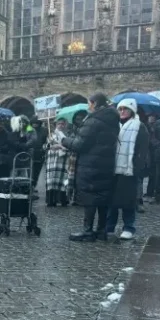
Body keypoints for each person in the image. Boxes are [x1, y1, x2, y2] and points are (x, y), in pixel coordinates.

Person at [62, 93, 120, 242]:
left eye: (89, 104)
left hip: (90, 165)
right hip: (106, 164)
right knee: (103, 197)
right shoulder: (112, 119)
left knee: (90, 197)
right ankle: (101, 230)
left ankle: (87, 231)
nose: (89, 107)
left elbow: (79, 145)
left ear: (95, 103)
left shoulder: (94, 121)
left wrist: (63, 140)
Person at [107, 99, 149, 240]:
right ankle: (109, 227)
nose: (122, 111)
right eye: (120, 109)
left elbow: (143, 149)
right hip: (113, 168)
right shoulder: (114, 125)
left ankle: (129, 227)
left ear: (132, 111)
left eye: (125, 109)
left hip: (129, 168)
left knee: (128, 201)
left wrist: (137, 167)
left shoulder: (139, 126)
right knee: (111, 201)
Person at [45, 118, 71, 207]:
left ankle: (63, 199)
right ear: (56, 125)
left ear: (65, 125)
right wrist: (52, 145)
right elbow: (46, 146)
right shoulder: (51, 134)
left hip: (63, 160)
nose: (61, 125)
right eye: (59, 124)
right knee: (52, 180)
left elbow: (70, 145)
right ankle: (51, 200)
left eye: (62, 124)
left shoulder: (67, 135)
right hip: (52, 160)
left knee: (63, 180)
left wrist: (61, 146)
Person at [29, 115, 49, 193]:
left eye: (36, 123)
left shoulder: (44, 130)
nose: (35, 124)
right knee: (30, 171)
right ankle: (28, 186)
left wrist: (45, 146)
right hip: (30, 153)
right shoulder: (28, 129)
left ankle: (33, 185)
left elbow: (47, 141)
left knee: (36, 171)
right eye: (33, 123)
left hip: (40, 153)